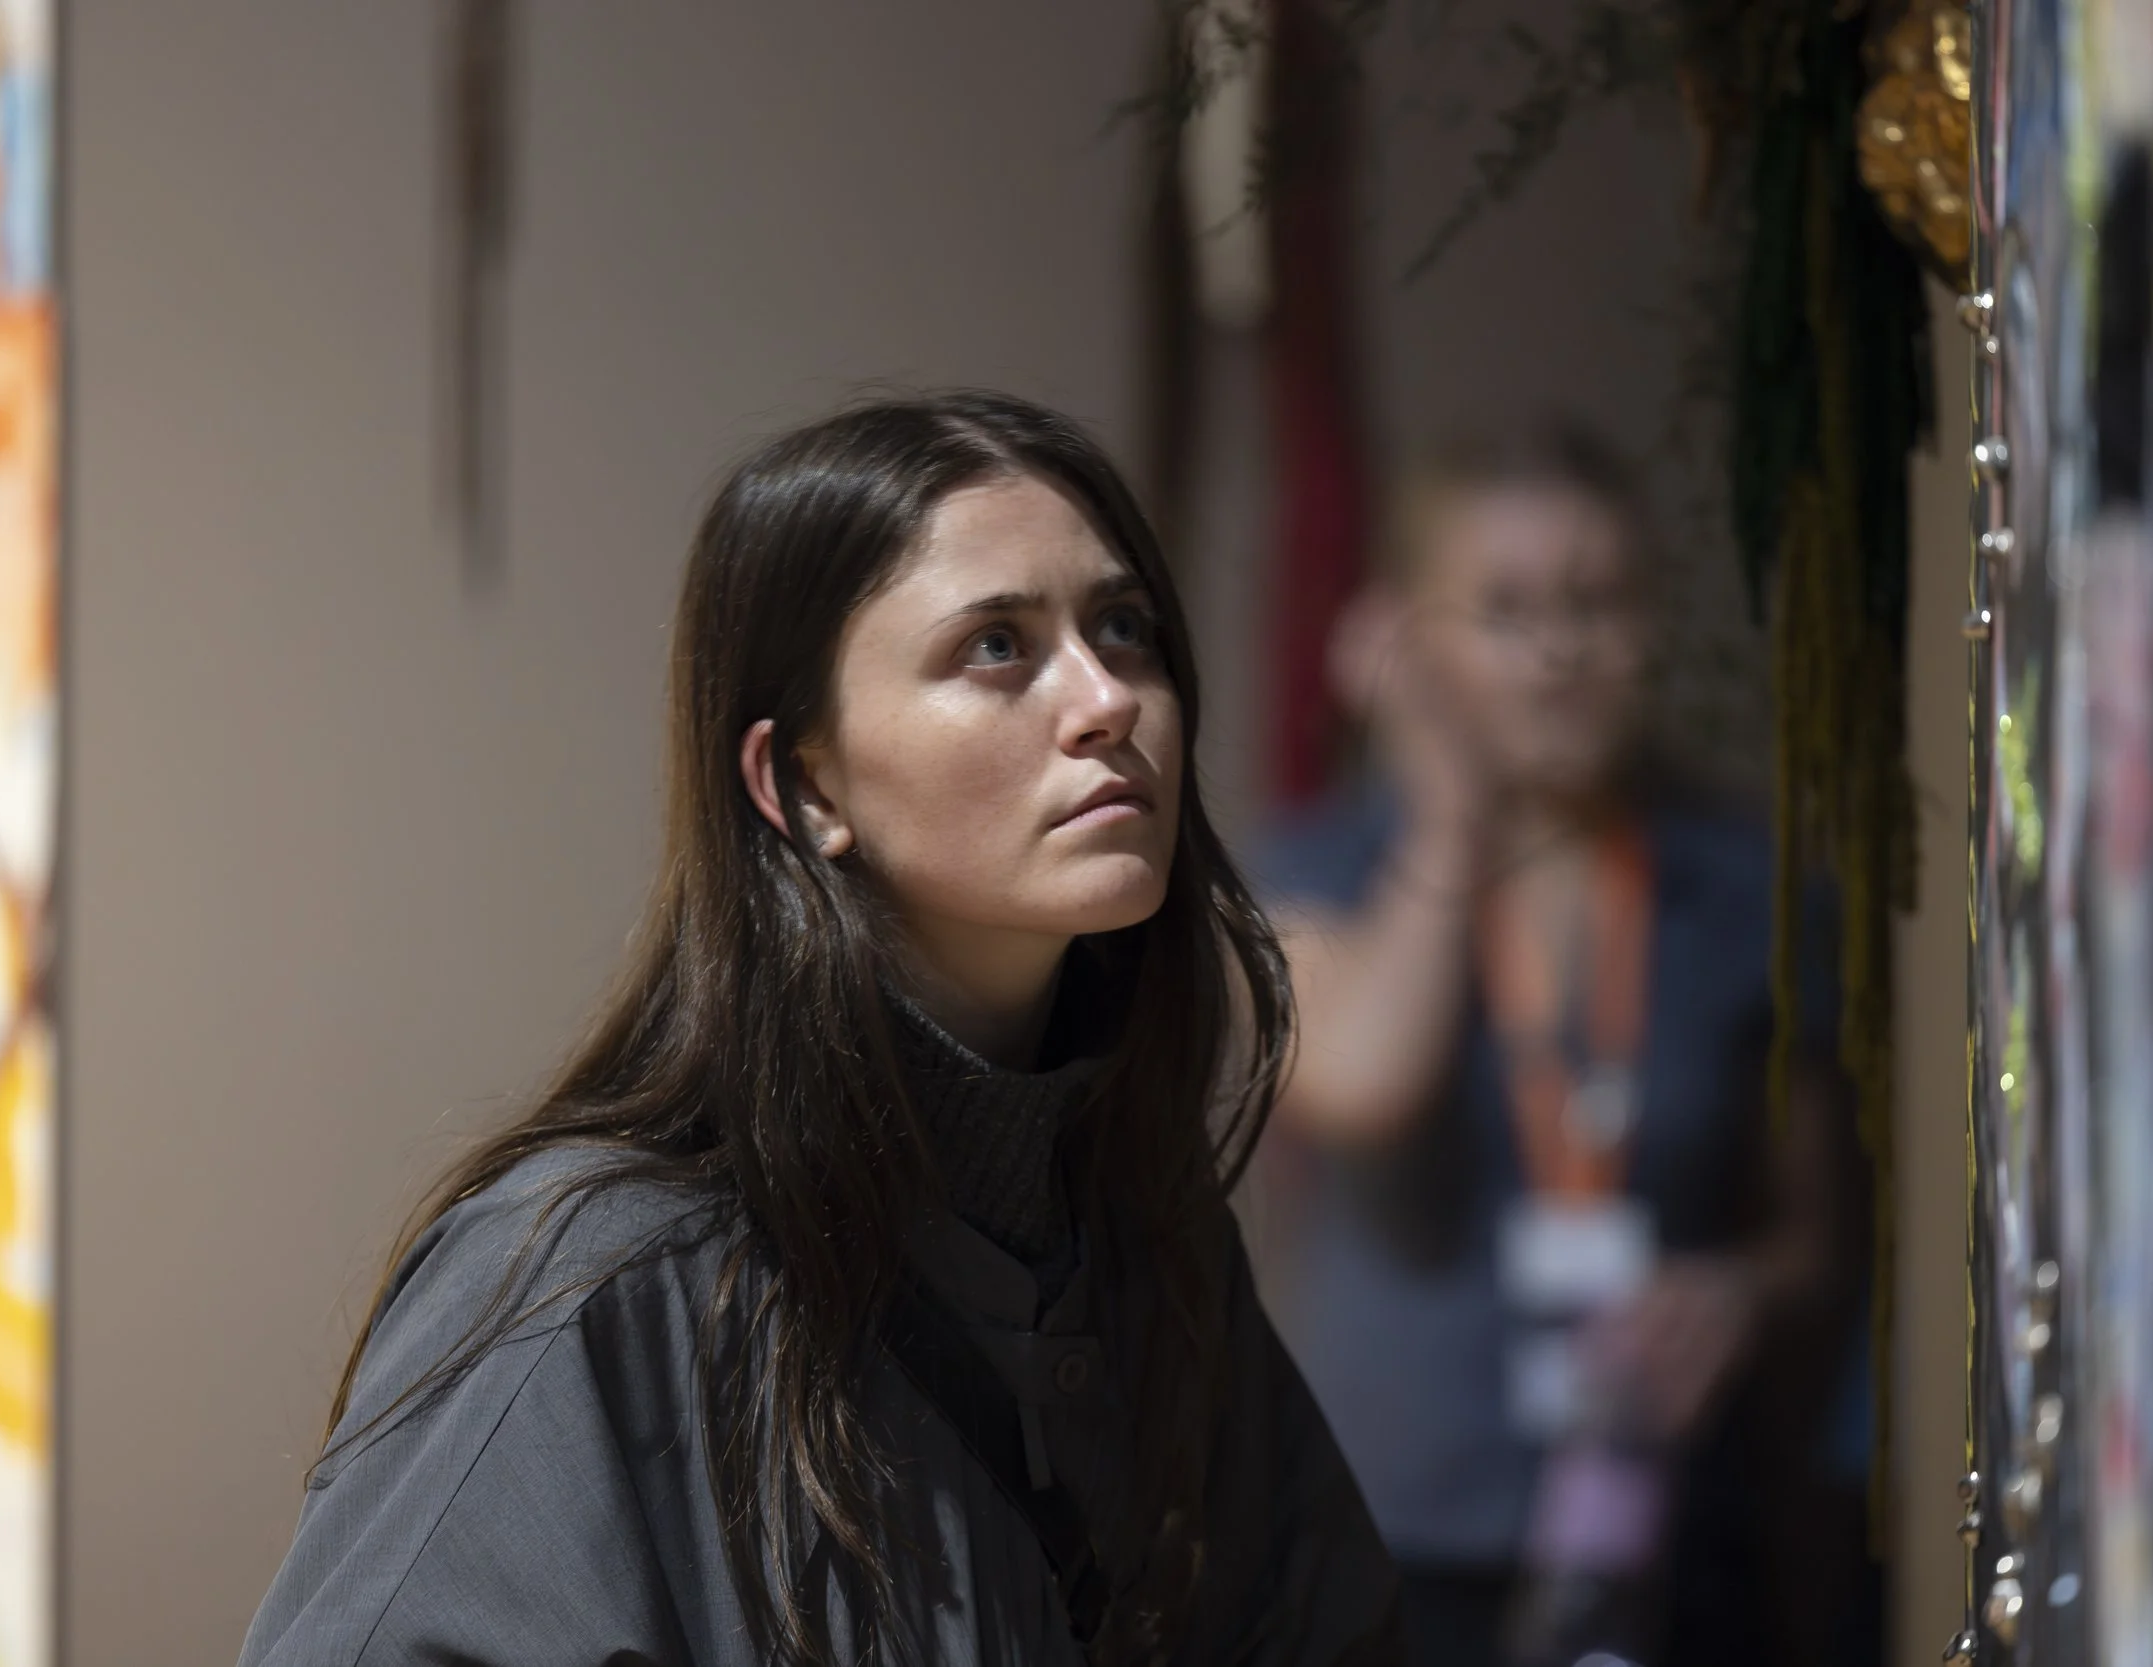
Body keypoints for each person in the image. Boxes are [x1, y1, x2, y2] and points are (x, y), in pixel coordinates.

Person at [240, 392, 1403, 1667]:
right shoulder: (596, 1280)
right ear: (803, 783)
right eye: (997, 647)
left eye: (1123, 628)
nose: (1106, 698)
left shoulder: (1153, 1252)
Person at [1255, 429, 1867, 1667]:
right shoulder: (1315, 865)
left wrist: (1740, 1291)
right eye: (1504, 610)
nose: (1558, 652)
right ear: (1404, 638)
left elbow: (1820, 1239)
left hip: (1677, 1536)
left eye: (1598, 603)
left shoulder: (1749, 881)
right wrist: (1444, 805)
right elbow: (1362, 1084)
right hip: (1395, 1536)